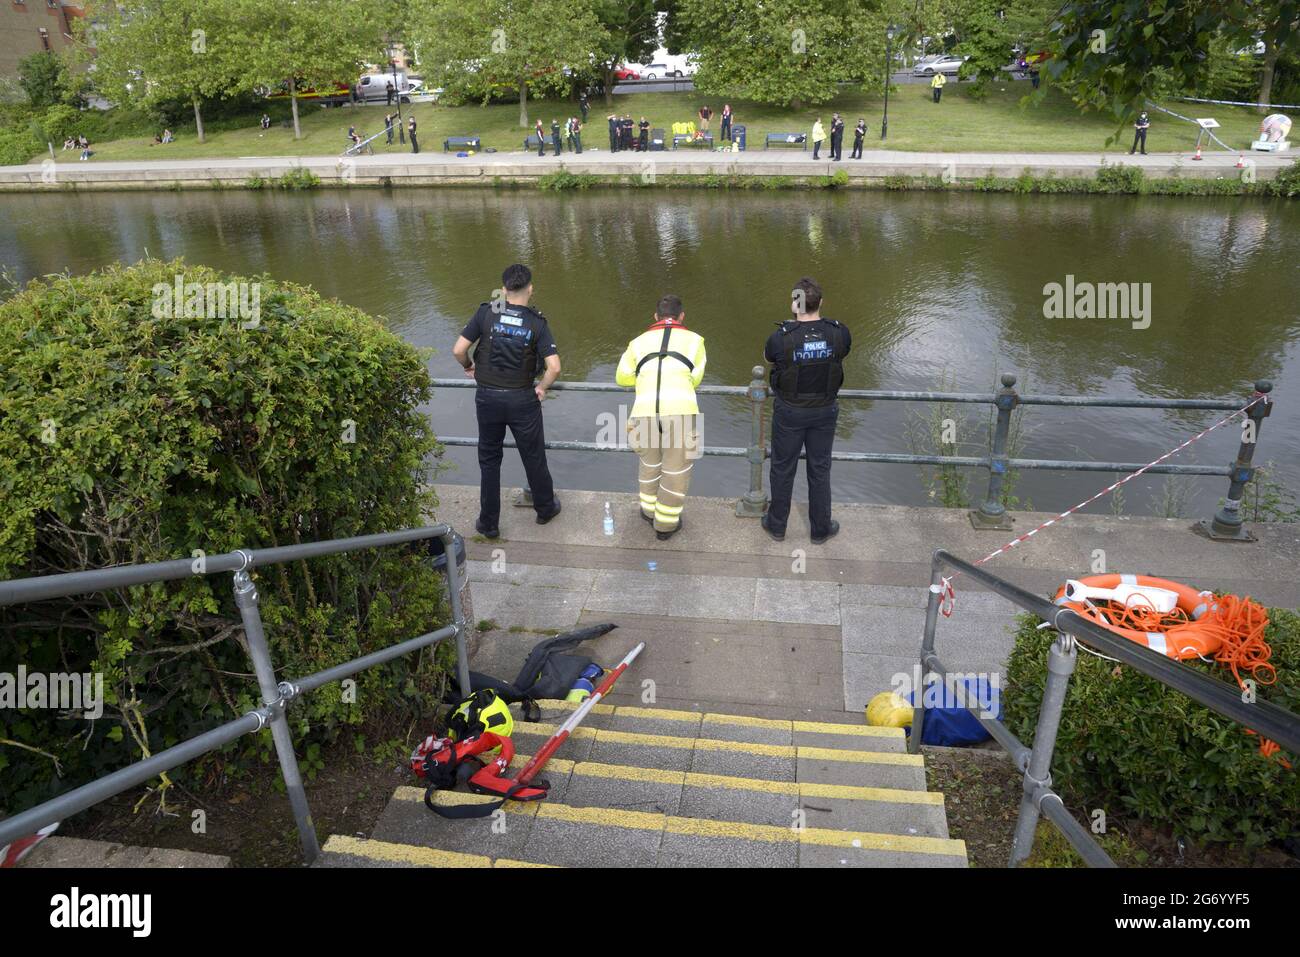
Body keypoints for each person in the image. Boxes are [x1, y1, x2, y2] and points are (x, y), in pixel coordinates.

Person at [452, 264, 562, 538]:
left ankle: (489, 524)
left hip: (488, 398)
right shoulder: (537, 323)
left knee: (489, 459)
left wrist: (469, 367)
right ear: (530, 289)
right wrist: (543, 388)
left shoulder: (487, 313)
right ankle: (545, 509)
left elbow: (459, 350)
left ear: (503, 290)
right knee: (533, 455)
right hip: (523, 400)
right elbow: (554, 367)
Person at [761, 277, 850, 545]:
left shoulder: (781, 338)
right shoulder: (839, 332)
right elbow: (841, 354)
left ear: (794, 303)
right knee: (820, 469)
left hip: (789, 412)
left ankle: (777, 526)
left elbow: (768, 359)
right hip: (824, 411)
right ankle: (820, 529)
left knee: (782, 467)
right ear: (821, 303)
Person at [615, 295, 707, 541]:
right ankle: (665, 526)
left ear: (655, 317)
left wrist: (646, 378)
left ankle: (648, 512)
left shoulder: (637, 342)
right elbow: (696, 378)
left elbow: (622, 378)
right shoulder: (696, 341)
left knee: (649, 465)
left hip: (642, 413)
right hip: (681, 412)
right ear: (682, 316)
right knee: (676, 472)